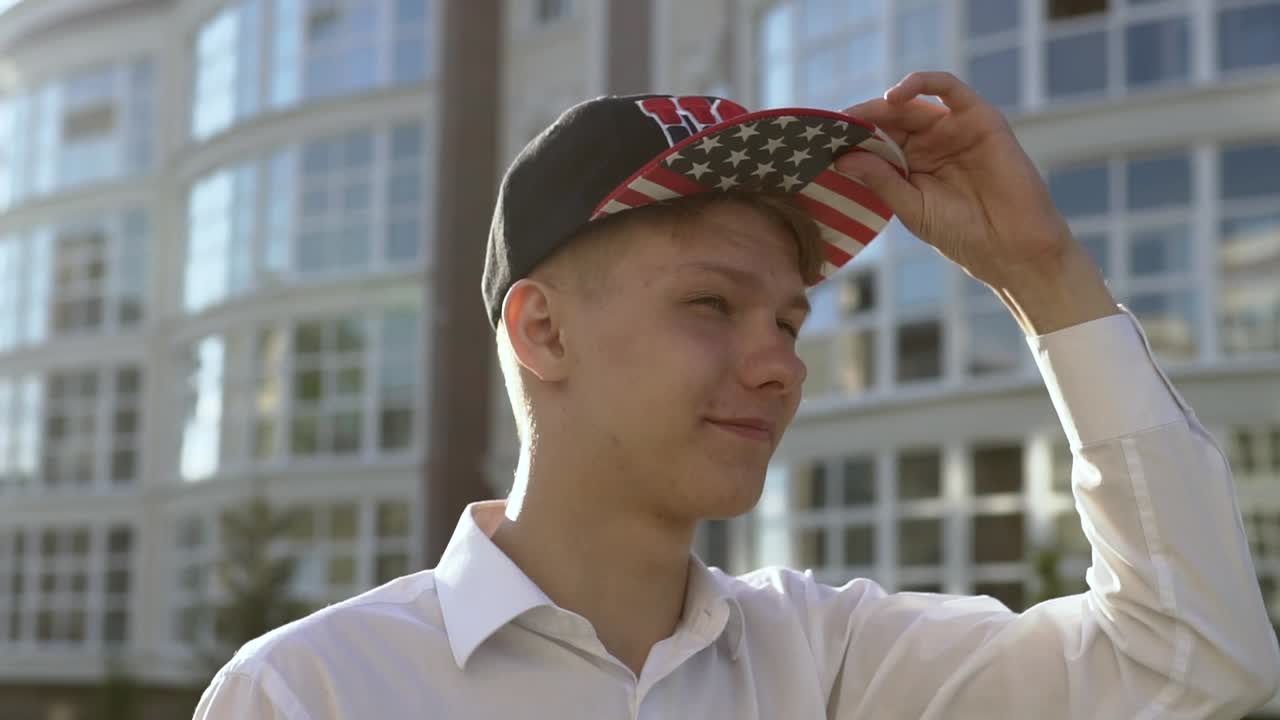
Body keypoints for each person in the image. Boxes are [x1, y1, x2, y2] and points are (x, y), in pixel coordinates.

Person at [193, 72, 1280, 719]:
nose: (778, 364)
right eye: (712, 305)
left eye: (789, 319)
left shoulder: (827, 662)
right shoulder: (313, 694)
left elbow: (1191, 660)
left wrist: (1039, 277)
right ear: (543, 329)